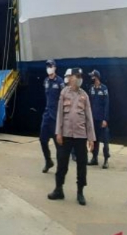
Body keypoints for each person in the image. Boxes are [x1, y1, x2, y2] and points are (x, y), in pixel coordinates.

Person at [48, 68, 95, 205]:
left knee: (81, 164)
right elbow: (60, 115)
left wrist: (91, 138)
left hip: (81, 136)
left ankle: (80, 192)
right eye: (77, 76)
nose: (80, 78)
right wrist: (58, 132)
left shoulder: (84, 95)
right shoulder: (64, 93)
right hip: (66, 134)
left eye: (81, 76)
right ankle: (58, 189)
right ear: (72, 77)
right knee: (62, 163)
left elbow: (89, 117)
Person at [40, 59, 65, 173]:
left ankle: (61, 167)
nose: (48, 68)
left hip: (56, 116)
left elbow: (64, 99)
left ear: (55, 67)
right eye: (47, 66)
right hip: (47, 115)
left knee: (58, 143)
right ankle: (48, 161)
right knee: (42, 140)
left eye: (50, 66)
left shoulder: (60, 82)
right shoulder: (45, 81)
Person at [88, 70, 110, 169]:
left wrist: (105, 119)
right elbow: (89, 104)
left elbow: (106, 104)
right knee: (94, 139)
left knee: (105, 140)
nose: (91, 78)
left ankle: (106, 160)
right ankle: (94, 158)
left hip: (102, 119)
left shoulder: (104, 89)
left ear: (96, 77)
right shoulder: (91, 89)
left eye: (93, 76)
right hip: (93, 118)